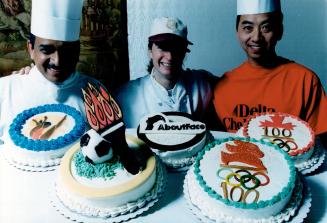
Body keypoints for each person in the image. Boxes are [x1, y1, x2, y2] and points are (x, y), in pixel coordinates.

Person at [212, 0, 327, 147]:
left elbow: (322, 143)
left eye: (266, 27)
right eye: (248, 28)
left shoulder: (305, 80)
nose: (256, 37)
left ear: (279, 31)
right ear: (237, 32)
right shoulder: (222, 86)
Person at [0, 0, 103, 143]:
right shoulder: (5, 90)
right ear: (31, 49)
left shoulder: (96, 92)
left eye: (67, 51)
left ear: (77, 51)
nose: (57, 61)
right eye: (47, 50)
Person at [114, 17, 218, 128]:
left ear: (184, 52)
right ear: (150, 50)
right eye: (162, 47)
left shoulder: (203, 83)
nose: (170, 57)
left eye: (177, 48)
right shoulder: (125, 95)